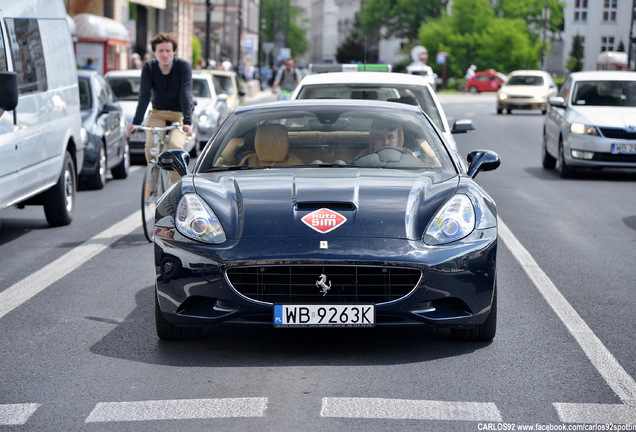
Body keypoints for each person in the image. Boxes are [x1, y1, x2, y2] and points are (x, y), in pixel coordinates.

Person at [127, 33, 193, 168]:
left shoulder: (183, 67)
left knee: (176, 147)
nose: (164, 55)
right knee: (151, 147)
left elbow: (185, 93)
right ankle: (153, 185)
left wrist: (188, 122)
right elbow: (144, 96)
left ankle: (175, 186)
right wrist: (136, 123)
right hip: (158, 113)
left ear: (174, 52)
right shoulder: (149, 67)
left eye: (168, 51)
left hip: (179, 115)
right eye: (160, 51)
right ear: (155, 53)